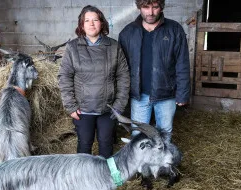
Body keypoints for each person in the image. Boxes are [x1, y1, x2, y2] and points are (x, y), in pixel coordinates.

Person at [58, 5, 130, 158]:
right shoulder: (72, 48)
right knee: (84, 143)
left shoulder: (114, 46)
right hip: (83, 110)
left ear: (102, 23)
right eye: (87, 20)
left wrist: (118, 106)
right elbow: (65, 77)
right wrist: (70, 105)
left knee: (106, 143)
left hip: (108, 109)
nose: (91, 24)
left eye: (95, 20)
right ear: (81, 25)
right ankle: (83, 179)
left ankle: (106, 177)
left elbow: (123, 77)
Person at [118, 0, 190, 142]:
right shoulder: (127, 33)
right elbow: (121, 68)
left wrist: (183, 93)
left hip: (166, 94)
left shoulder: (174, 30)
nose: (150, 12)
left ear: (161, 7)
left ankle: (163, 164)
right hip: (139, 96)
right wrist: (122, 94)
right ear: (139, 7)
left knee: (164, 135)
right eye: (146, 7)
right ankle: (141, 165)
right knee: (139, 136)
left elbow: (182, 63)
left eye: (155, 7)